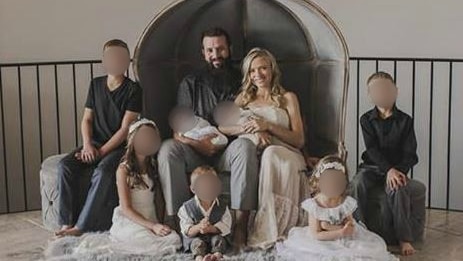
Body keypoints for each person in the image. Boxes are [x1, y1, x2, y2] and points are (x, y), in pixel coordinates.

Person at [157, 27, 257, 249]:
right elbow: (177, 131)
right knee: (167, 148)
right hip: (195, 153)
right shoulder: (189, 83)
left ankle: (240, 227)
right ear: (203, 53)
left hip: (228, 150)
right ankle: (178, 226)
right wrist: (198, 145)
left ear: (229, 49)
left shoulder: (244, 80)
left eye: (220, 48)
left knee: (245, 146)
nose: (216, 54)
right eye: (210, 50)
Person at [219, 48, 310, 249]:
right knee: (260, 153)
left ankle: (274, 228)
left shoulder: (288, 98)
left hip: (285, 152)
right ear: (247, 74)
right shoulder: (244, 98)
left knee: (271, 153)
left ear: (272, 69)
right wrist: (247, 128)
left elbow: (299, 139)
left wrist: (268, 125)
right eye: (252, 71)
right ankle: (246, 227)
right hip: (253, 153)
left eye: (263, 68)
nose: (258, 75)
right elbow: (223, 127)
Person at [56, 39, 142, 236]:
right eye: (112, 57)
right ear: (104, 60)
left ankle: (81, 226)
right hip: (93, 143)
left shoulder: (134, 90)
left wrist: (102, 152)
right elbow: (86, 119)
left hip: (119, 147)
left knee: (103, 172)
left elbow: (125, 129)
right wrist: (87, 146)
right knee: (64, 166)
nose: (116, 61)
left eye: (121, 57)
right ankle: (66, 223)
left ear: (128, 61)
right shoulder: (95, 85)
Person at [350, 71, 426, 256]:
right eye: (376, 90)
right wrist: (388, 170)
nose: (382, 93)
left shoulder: (405, 120)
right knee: (357, 183)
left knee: (398, 188)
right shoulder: (366, 119)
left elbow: (410, 153)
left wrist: (397, 171)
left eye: (386, 89)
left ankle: (403, 238)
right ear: (370, 95)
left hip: (397, 167)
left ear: (395, 91)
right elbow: (372, 150)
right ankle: (357, 229)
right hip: (372, 167)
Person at [277, 155, 399, 261]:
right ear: (318, 182)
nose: (333, 186)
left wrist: (330, 227)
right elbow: (316, 234)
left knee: (364, 250)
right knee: (317, 254)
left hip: (345, 237)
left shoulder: (344, 202)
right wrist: (338, 231)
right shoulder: (314, 205)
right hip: (322, 241)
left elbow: (350, 225)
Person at [178, 166, 231, 261]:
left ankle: (217, 255)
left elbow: (226, 226)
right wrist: (198, 227)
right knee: (196, 243)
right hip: (196, 237)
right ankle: (199, 257)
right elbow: (186, 230)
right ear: (193, 189)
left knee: (219, 240)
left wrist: (212, 229)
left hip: (214, 236)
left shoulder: (222, 206)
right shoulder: (186, 208)